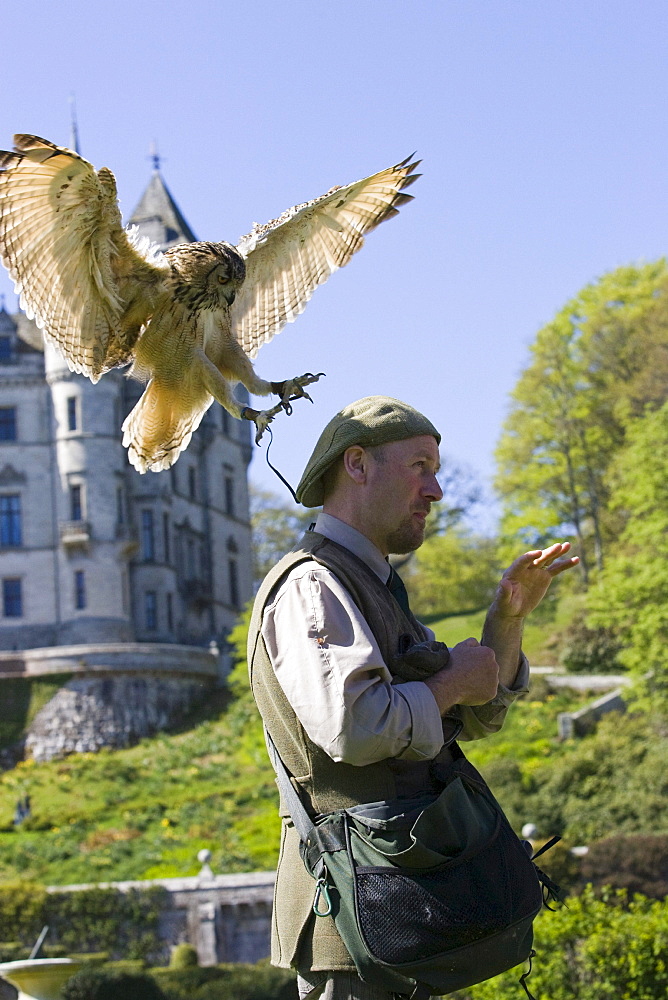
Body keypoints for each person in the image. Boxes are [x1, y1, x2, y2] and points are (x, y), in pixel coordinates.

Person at [248, 396, 578, 1000]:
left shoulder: (371, 583)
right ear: (357, 465)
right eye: (420, 466)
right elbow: (358, 728)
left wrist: (506, 618)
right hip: (353, 929)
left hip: (397, 913)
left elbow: (470, 712)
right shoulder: (313, 584)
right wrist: (450, 682)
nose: (436, 490)